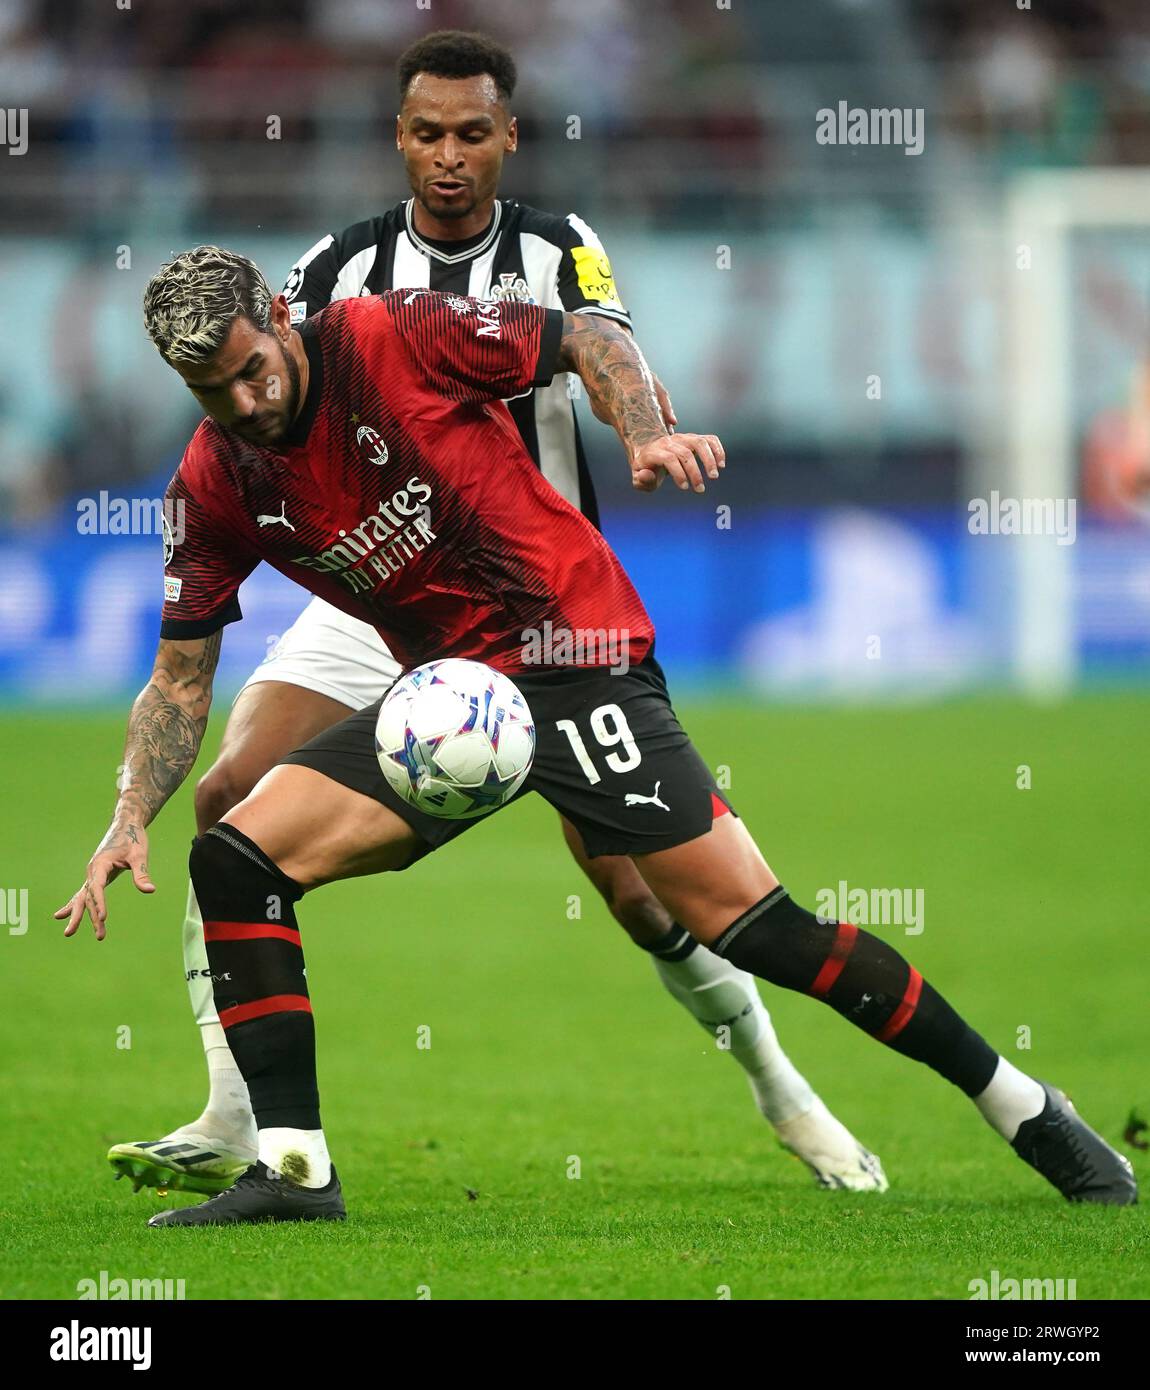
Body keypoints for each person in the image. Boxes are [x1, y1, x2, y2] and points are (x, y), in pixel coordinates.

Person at [59, 244, 1136, 1225]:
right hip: (450, 703)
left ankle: (1024, 1105)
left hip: (577, 655)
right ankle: (293, 1172)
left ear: (282, 318)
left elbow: (584, 335)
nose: (243, 401)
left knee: (754, 927)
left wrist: (646, 428)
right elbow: (179, 679)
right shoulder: (212, 483)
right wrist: (124, 817)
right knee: (236, 856)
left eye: (254, 369)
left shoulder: (391, 334)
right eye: (214, 389)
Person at [104, 29, 884, 1198]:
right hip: (374, 591)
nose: (450, 157)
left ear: (508, 135)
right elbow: (263, 413)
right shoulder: (332, 269)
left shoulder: (557, 247)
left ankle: (785, 1090)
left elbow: (603, 347)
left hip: (531, 598)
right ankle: (238, 1118)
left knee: (637, 889)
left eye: (473, 134)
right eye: (428, 134)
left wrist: (644, 431)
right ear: (400, 138)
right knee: (230, 802)